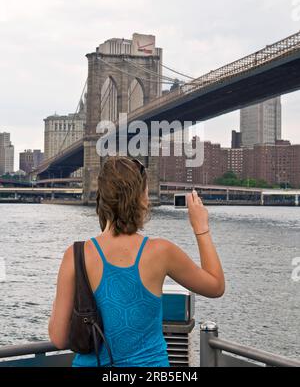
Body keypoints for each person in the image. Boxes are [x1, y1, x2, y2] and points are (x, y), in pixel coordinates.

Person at [48, 156, 225, 367]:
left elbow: (58, 338)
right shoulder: (160, 251)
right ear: (141, 198)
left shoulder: (75, 255)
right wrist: (201, 228)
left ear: (102, 198)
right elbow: (215, 286)